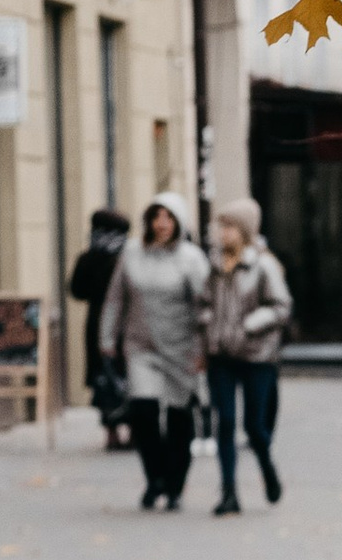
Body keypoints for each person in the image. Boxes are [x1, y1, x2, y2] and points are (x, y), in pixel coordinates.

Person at [100, 198, 211, 509]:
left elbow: (205, 307)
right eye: (156, 217)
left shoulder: (191, 259)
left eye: (169, 218)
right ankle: (154, 478)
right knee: (143, 412)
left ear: (179, 222)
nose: (162, 224)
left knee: (179, 417)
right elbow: (115, 298)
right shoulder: (132, 253)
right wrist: (107, 336)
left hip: (180, 348)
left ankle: (175, 485)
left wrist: (203, 349)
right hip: (141, 346)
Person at [204, 195, 291, 511]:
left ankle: (267, 467)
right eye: (220, 226)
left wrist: (249, 324)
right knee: (224, 421)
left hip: (257, 357)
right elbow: (203, 304)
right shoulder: (213, 265)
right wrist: (208, 323)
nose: (222, 233)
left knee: (254, 427)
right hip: (221, 356)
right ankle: (228, 492)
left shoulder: (263, 265)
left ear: (244, 230)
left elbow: (281, 307)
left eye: (229, 226)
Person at [67, 206, 131, 446]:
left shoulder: (89, 257)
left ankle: (112, 432)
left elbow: (76, 291)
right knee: (123, 376)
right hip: (123, 324)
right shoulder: (126, 256)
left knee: (104, 377)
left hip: (99, 324)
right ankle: (130, 431)